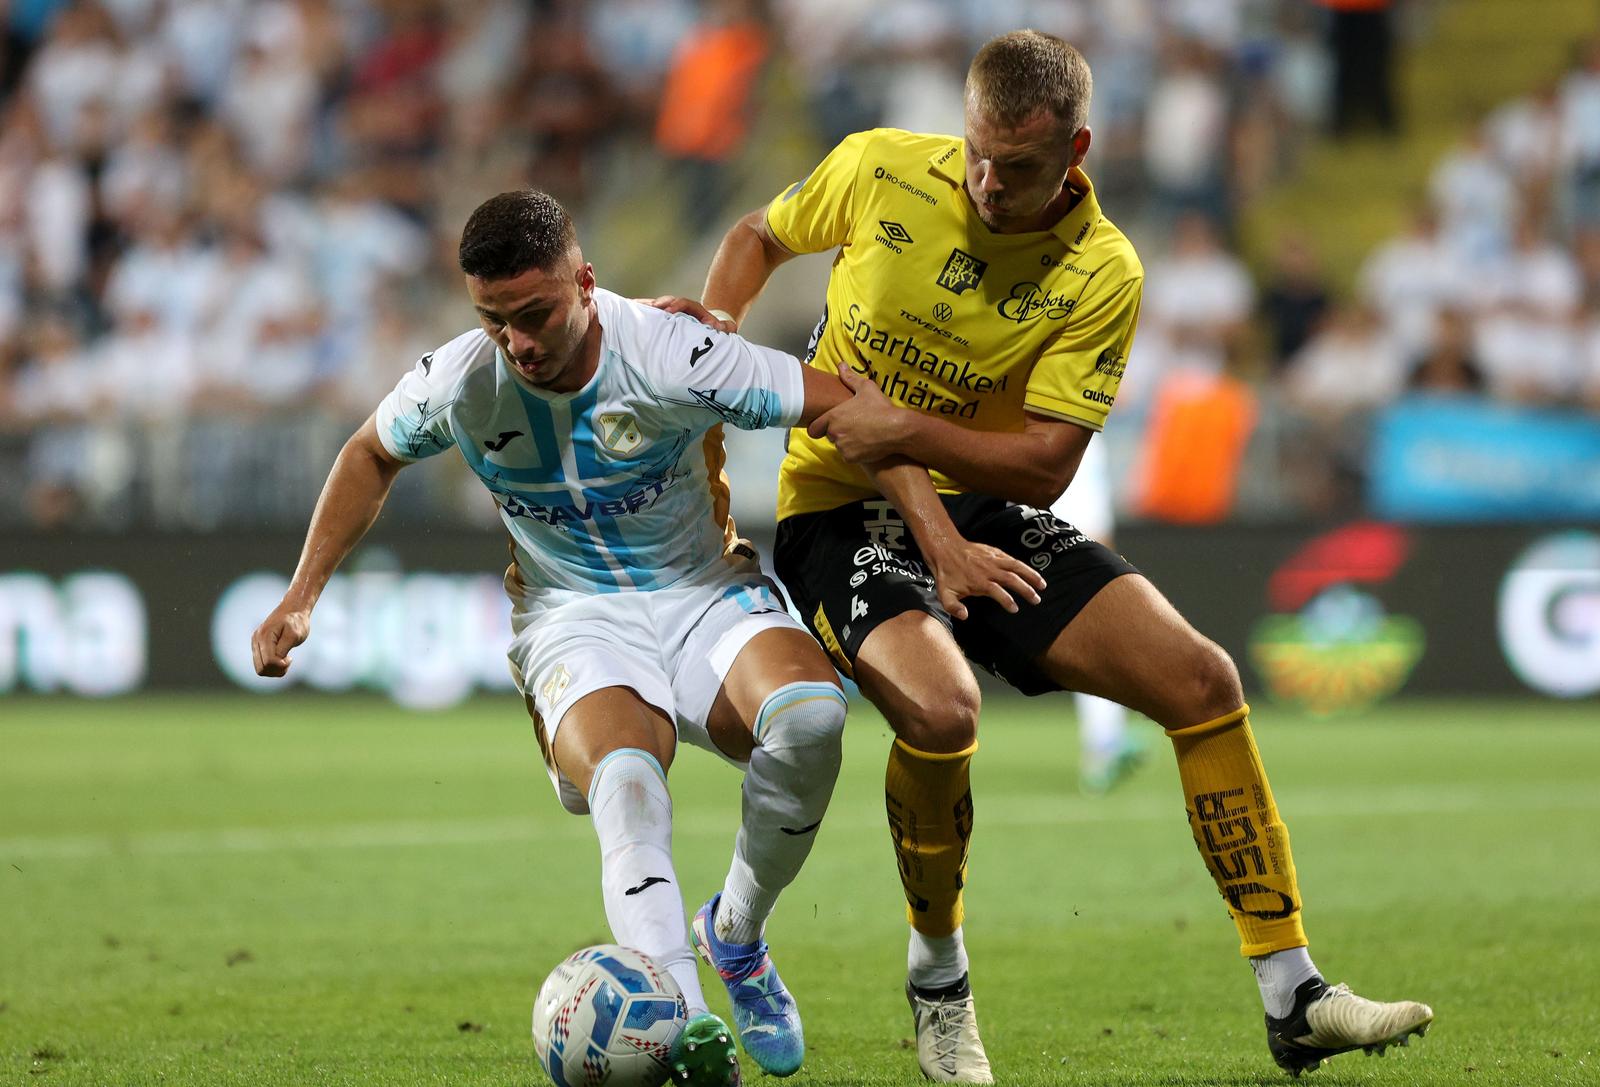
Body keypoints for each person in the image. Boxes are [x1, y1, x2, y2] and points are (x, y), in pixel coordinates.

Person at [663, 29, 1433, 1082]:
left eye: (1017, 167)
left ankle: (1290, 989)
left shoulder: (1101, 268)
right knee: (941, 710)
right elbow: (756, 234)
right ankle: (940, 987)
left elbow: (1040, 466)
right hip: (837, 511)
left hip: (984, 502)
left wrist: (910, 443)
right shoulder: (879, 165)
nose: (986, 182)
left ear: (1074, 148)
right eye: (977, 152)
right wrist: (709, 336)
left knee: (1202, 681)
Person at [249, 189, 1040, 1086]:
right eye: (494, 319)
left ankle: (734, 933)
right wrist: (302, 594)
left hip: (706, 591)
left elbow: (849, 412)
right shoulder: (461, 379)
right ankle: (690, 1025)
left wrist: (940, 541)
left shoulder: (674, 354)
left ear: (586, 283)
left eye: (536, 312)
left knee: (813, 718)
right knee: (627, 778)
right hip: (572, 617)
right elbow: (368, 453)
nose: (519, 342)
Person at [1046, 437, 1144, 794]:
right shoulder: (1080, 433)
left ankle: (1106, 738)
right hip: (1064, 551)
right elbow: (1092, 524)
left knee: (1092, 643)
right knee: (1095, 641)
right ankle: (1104, 743)